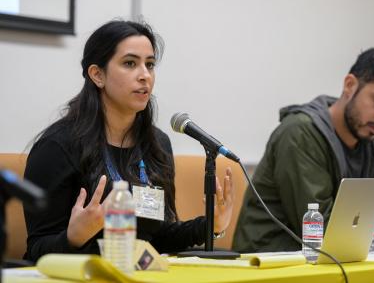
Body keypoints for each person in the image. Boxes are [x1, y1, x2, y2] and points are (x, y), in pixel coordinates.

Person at [23, 20, 234, 262]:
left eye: (150, 64)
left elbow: (156, 239)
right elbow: (37, 249)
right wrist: (74, 237)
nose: (145, 75)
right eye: (130, 63)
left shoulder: (157, 144)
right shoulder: (57, 146)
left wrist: (211, 224)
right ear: (97, 75)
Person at [233, 47, 374, 253]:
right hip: (272, 261)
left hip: (333, 265)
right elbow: (319, 232)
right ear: (350, 85)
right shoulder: (299, 134)